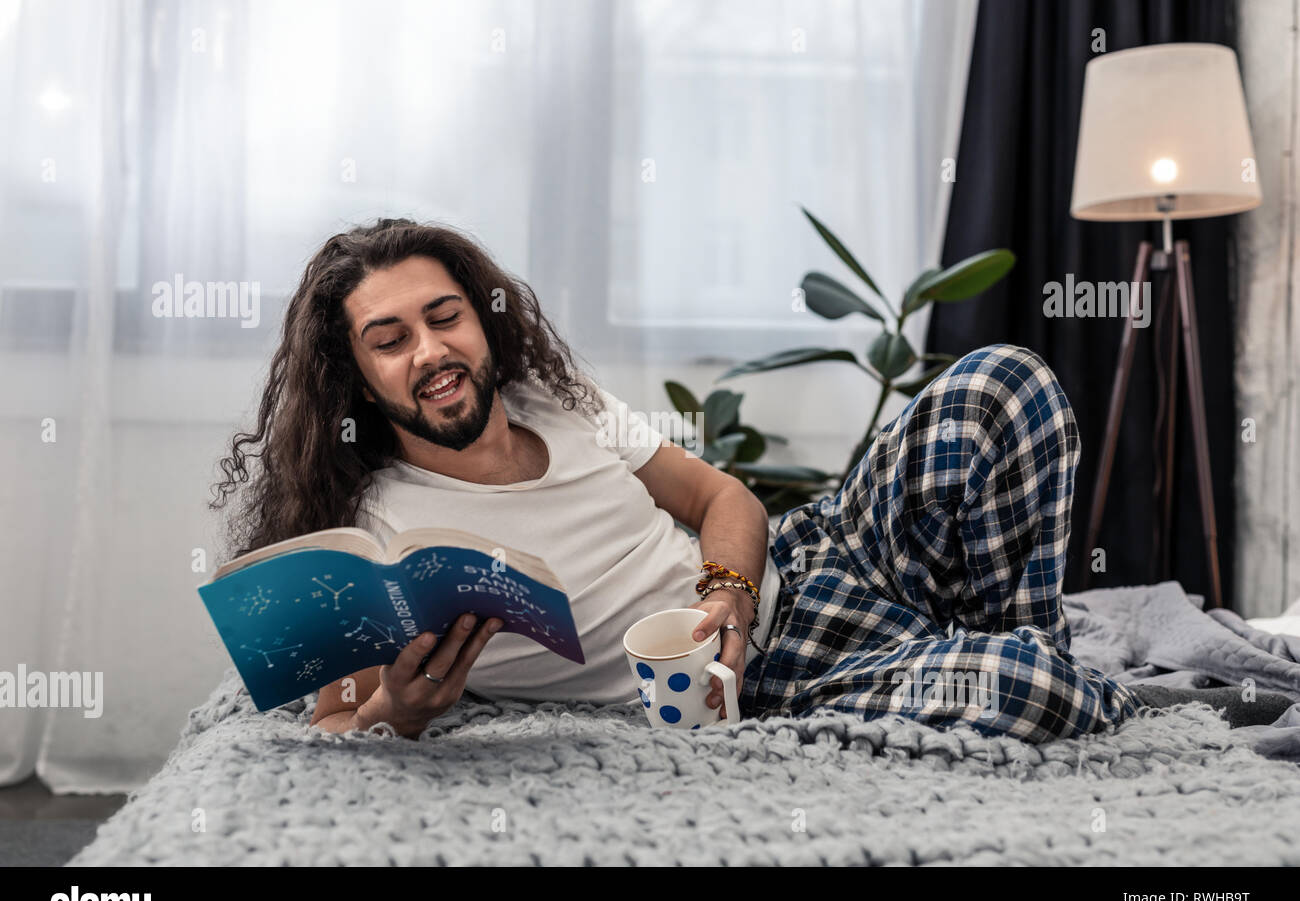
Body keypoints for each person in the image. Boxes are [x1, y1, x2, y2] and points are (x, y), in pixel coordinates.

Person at [210, 218, 1295, 742]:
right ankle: (1015, 666)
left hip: (806, 564)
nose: (430, 350)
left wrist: (727, 586)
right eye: (389, 337)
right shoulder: (376, 522)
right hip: (757, 682)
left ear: (478, 317)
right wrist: (400, 708)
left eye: (444, 316)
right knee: (1022, 689)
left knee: (1000, 383)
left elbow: (724, 497)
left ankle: (999, 638)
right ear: (354, 369)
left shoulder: (558, 400)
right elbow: (327, 721)